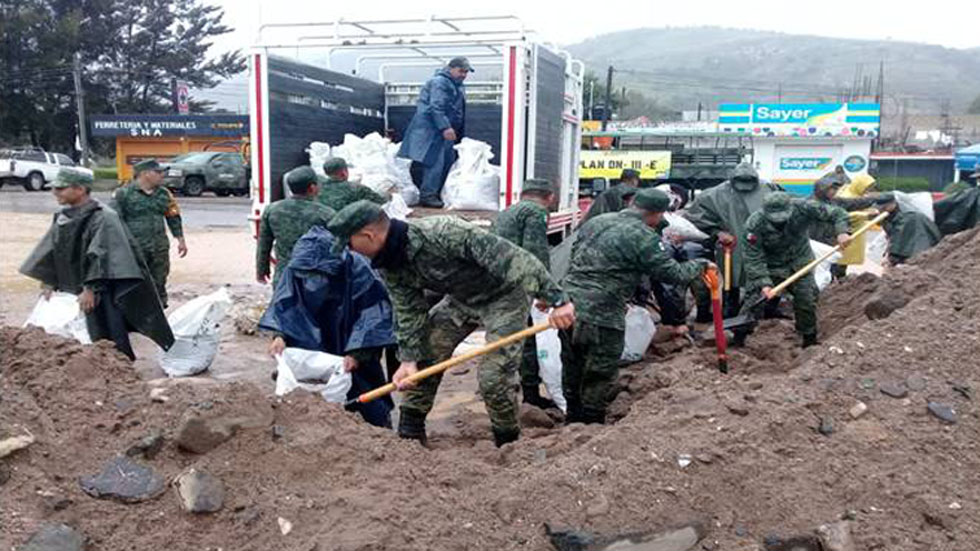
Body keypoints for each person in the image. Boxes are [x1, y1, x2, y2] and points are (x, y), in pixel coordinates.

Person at [326, 201, 576, 447]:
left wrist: (558, 300)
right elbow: (408, 311)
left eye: (349, 243)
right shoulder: (390, 264)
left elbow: (514, 260)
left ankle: (507, 441)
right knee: (425, 358)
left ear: (368, 235)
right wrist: (408, 361)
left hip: (504, 296)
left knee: (494, 375)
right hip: (461, 299)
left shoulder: (444, 233)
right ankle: (410, 434)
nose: (350, 250)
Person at [560, 188, 712, 424]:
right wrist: (701, 264)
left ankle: (572, 417)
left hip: (569, 307)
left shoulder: (597, 221)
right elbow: (673, 274)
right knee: (600, 370)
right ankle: (591, 422)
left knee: (573, 364)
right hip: (603, 312)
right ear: (655, 214)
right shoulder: (642, 236)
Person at [20, 170, 174, 360]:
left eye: (61, 188)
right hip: (72, 286)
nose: (55, 193)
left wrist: (91, 288)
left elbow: (103, 254)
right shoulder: (63, 216)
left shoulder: (103, 217)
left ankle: (112, 364)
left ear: (80, 189)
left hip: (100, 288)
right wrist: (49, 280)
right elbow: (54, 249)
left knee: (105, 328)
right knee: (72, 333)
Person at [259, 226, 396, 428]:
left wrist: (358, 353)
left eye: (320, 275)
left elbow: (374, 317)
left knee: (362, 385)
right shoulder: (296, 269)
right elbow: (285, 305)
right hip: (310, 335)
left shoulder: (359, 270)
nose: (314, 283)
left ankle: (376, 427)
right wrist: (280, 335)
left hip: (351, 334)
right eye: (309, 276)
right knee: (310, 385)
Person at [736, 192, 851, 348]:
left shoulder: (803, 207)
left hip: (800, 263)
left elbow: (837, 213)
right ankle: (739, 337)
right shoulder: (754, 225)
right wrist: (764, 283)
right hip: (771, 267)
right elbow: (753, 258)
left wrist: (842, 232)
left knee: (807, 300)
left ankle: (809, 340)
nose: (779, 222)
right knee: (754, 301)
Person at [491, 178, 557, 409]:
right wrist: (545, 292)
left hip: (496, 283)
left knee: (509, 340)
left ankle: (521, 391)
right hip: (516, 287)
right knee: (526, 340)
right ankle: (528, 395)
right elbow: (536, 253)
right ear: (550, 198)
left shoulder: (507, 212)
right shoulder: (536, 212)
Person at [685, 162, 780, 317]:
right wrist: (717, 232)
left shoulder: (768, 190)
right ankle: (730, 310)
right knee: (731, 277)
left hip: (761, 242)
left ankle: (766, 311)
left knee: (765, 275)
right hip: (731, 244)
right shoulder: (715, 194)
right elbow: (696, 216)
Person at [109, 159, 187, 308]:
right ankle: (134, 315)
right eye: (157, 172)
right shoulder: (123, 194)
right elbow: (113, 221)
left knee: (159, 281)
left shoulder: (164, 194)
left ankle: (158, 313)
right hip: (134, 249)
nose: (162, 175)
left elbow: (173, 216)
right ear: (144, 174)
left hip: (159, 249)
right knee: (134, 282)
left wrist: (180, 239)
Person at [397, 57, 472, 208]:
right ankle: (428, 195)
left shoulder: (454, 84)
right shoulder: (440, 82)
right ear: (451, 68)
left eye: (466, 72)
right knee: (434, 162)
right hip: (432, 130)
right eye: (461, 71)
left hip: (441, 130)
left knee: (446, 162)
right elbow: (436, 107)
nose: (464, 74)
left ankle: (436, 193)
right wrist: (445, 127)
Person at [257, 166, 336, 288]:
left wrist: (262, 270)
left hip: (284, 277)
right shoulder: (326, 213)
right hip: (315, 281)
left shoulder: (272, 210)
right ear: (312, 188)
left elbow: (264, 244)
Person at [809, 173, 891, 280]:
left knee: (831, 270)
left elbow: (856, 203)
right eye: (831, 189)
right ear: (822, 189)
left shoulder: (836, 201)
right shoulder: (811, 204)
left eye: (835, 189)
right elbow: (841, 215)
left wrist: (879, 198)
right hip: (815, 245)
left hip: (831, 244)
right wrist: (864, 216)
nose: (834, 191)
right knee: (816, 272)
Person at [879, 200, 941, 265]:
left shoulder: (903, 220)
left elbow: (896, 240)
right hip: (925, 248)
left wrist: (889, 257)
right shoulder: (906, 216)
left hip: (916, 252)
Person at [317, 157, 387, 211]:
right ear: (344, 173)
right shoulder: (357, 188)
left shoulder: (318, 188)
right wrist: (389, 194)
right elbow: (381, 202)